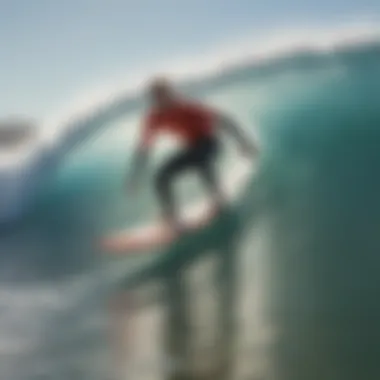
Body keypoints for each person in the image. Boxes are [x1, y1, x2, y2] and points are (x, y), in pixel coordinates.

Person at [127, 77, 259, 233]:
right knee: (161, 176)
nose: (161, 99)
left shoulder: (189, 108)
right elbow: (144, 148)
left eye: (164, 94)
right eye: (156, 96)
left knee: (201, 161)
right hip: (191, 147)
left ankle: (219, 198)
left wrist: (243, 143)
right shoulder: (154, 118)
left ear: (170, 93)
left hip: (210, 143)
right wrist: (135, 175)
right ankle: (172, 216)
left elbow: (225, 120)